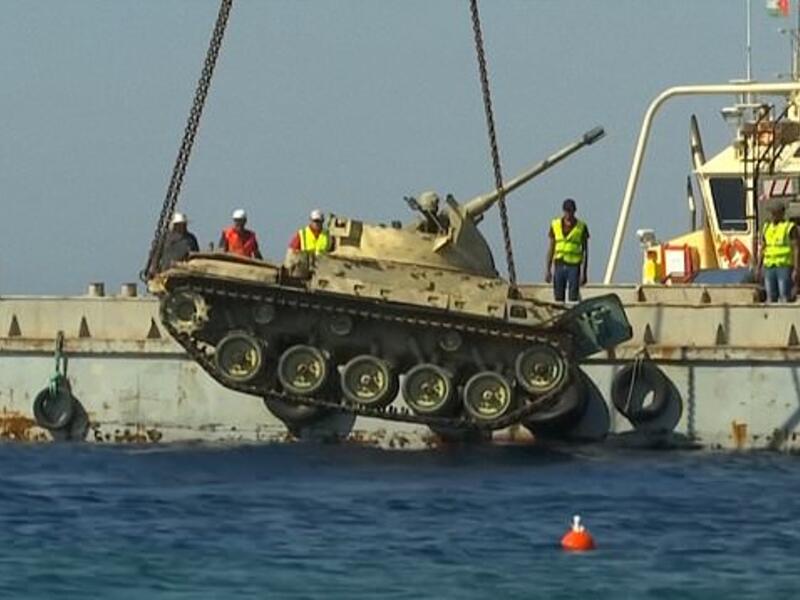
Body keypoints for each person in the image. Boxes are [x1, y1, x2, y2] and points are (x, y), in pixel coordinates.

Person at [545, 198, 589, 302]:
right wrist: (548, 269)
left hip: (573, 266)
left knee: (573, 296)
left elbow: (585, 251)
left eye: (571, 211)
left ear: (574, 211)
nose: (568, 214)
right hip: (559, 264)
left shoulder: (581, 227)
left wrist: (584, 272)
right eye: (566, 211)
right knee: (558, 296)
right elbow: (551, 248)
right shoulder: (555, 225)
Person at [757, 201, 799, 302]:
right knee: (770, 296)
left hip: (784, 266)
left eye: (774, 213)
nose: (772, 215)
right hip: (769, 266)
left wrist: (796, 268)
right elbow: (763, 248)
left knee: (784, 295)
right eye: (771, 213)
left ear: (781, 213)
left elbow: (796, 248)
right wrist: (759, 266)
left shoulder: (789, 227)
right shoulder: (767, 227)